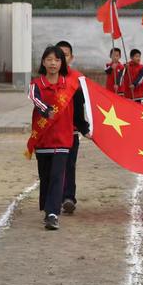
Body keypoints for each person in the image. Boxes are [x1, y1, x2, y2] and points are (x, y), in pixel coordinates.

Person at [27, 45, 90, 230]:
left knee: (57, 176)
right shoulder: (36, 84)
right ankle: (48, 207)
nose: (52, 63)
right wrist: (45, 110)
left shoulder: (71, 86)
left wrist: (85, 129)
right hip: (43, 139)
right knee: (45, 177)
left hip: (63, 140)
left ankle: (52, 214)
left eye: (56, 60)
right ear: (43, 63)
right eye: (49, 60)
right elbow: (34, 98)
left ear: (62, 63)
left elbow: (78, 112)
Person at [55, 40, 86, 215]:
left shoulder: (78, 79)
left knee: (69, 165)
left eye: (65, 55)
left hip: (71, 131)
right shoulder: (47, 79)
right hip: (52, 131)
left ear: (71, 57)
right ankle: (53, 198)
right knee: (53, 167)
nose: (61, 58)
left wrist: (85, 127)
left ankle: (68, 197)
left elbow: (82, 105)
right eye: (58, 55)